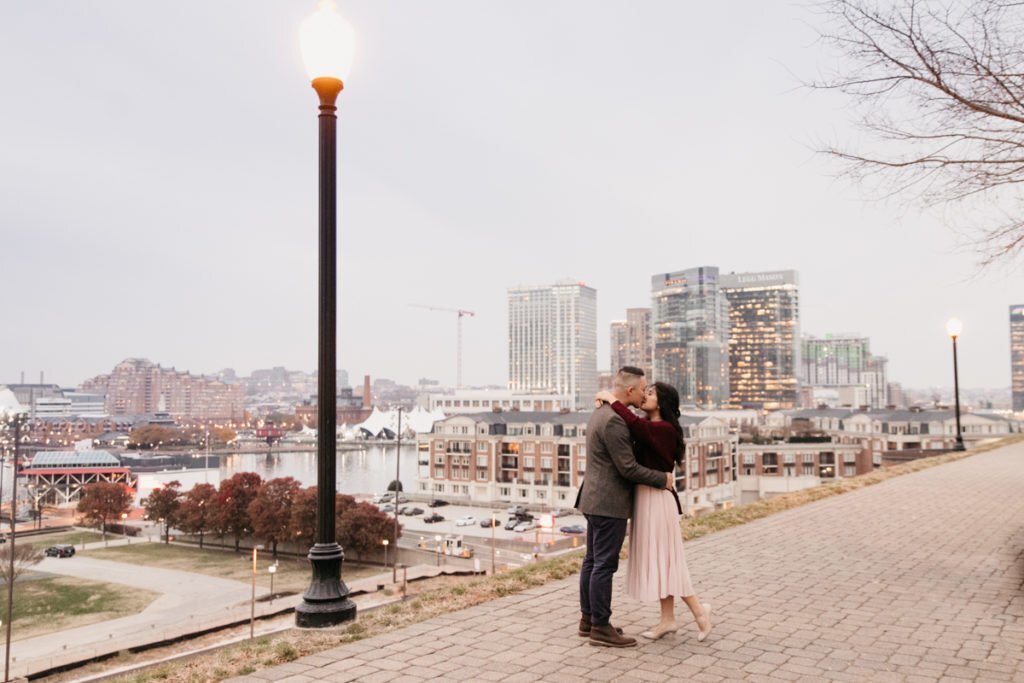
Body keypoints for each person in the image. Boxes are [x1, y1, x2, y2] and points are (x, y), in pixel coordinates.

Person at [595, 381, 712, 642]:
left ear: (661, 402)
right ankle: (667, 620)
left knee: (669, 561)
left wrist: (609, 398)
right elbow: (633, 425)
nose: (644, 396)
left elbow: (636, 425)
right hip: (646, 498)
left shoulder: (664, 429)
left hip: (658, 500)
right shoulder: (652, 427)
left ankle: (699, 612)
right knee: (661, 561)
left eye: (650, 393)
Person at [575, 366, 675, 648]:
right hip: (609, 502)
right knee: (603, 565)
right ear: (630, 390)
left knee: (592, 562)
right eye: (643, 389)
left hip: (594, 498)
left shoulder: (602, 412)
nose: (645, 394)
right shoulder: (615, 421)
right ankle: (601, 628)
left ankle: (588, 620)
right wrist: (662, 479)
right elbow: (628, 468)